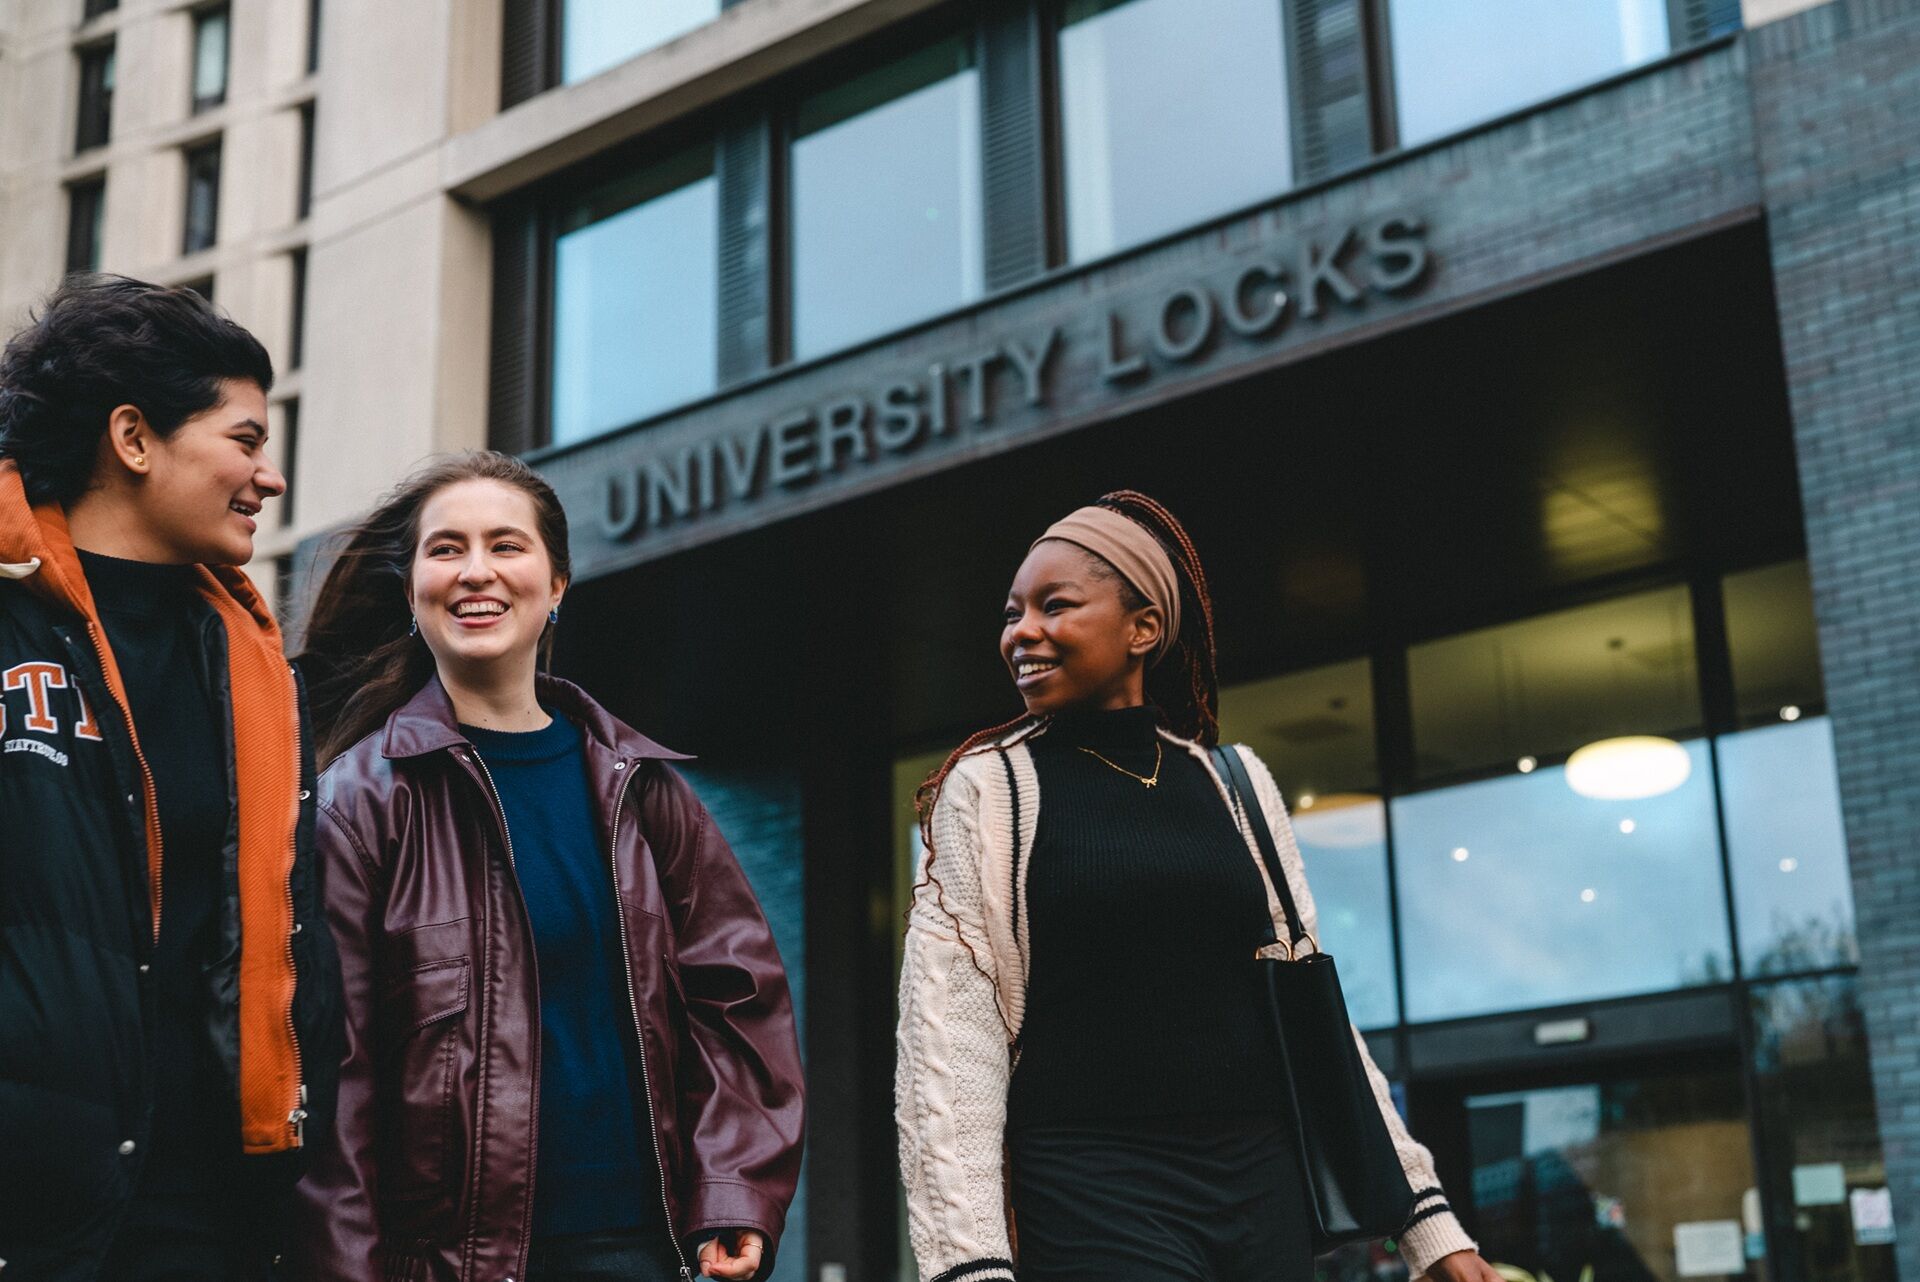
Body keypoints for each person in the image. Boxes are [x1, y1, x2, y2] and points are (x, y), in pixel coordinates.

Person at [895, 491, 1502, 1282]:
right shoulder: (986, 792)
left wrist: (1430, 1226)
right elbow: (950, 1042)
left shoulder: (1235, 782)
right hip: (1089, 1186)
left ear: (1143, 628)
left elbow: (1317, 1021)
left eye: (1056, 605)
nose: (1022, 632)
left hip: (1260, 1183)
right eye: (1013, 613)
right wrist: (968, 1264)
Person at [291, 451, 804, 1282]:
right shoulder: (359, 803)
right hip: (455, 1267)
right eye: (446, 549)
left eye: (506, 545)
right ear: (413, 589)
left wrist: (735, 1189)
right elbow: (334, 1080)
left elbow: (738, 1001)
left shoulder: (643, 789)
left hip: (646, 1249)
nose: (476, 572)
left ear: (557, 583)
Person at [0, 274, 341, 1281]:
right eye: (244, 440)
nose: (268, 478)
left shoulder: (259, 674)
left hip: (210, 1215)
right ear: (135, 437)